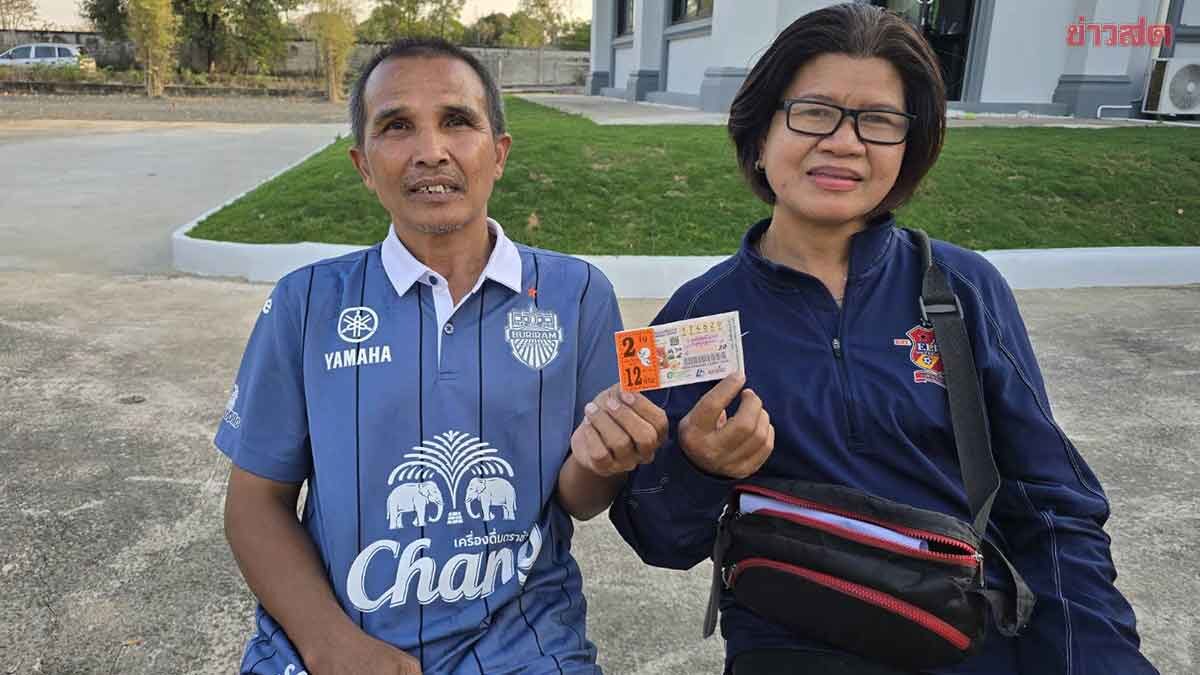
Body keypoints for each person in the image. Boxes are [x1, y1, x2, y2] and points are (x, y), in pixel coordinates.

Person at [608, 5, 1157, 675]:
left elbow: (1052, 507)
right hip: (789, 649)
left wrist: (1098, 661)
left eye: (879, 121)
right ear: (759, 133)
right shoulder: (693, 317)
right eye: (813, 112)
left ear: (908, 148)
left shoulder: (961, 290)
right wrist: (698, 465)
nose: (844, 142)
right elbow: (656, 537)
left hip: (967, 640)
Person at [216, 38, 667, 675]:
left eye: (457, 120)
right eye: (397, 126)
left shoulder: (578, 295)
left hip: (528, 652)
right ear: (363, 166)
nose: (431, 151)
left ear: (499, 152)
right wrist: (328, 642)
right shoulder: (305, 303)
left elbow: (581, 498)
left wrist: (607, 460)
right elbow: (254, 503)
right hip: (329, 646)